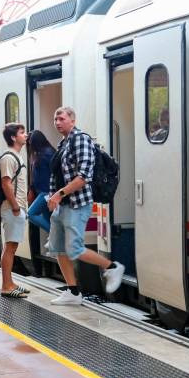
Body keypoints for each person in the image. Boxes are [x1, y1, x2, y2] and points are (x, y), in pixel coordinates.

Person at [47, 107, 125, 305]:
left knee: (74, 249)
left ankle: (113, 267)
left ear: (72, 120)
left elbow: (83, 177)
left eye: (61, 118)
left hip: (77, 204)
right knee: (58, 249)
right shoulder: (63, 142)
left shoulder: (81, 139)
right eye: (55, 119)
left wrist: (59, 194)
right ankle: (73, 293)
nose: (57, 122)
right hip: (61, 206)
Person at [0, 124, 30, 298]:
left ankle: (10, 282)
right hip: (12, 209)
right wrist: (16, 206)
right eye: (21, 133)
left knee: (12, 247)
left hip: (16, 209)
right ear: (13, 137)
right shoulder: (9, 158)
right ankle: (6, 286)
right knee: (10, 247)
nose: (25, 135)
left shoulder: (17, 156)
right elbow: (6, 183)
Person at [26, 130, 56, 233]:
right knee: (49, 220)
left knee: (31, 214)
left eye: (30, 141)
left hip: (46, 192)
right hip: (43, 192)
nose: (29, 144)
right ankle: (55, 242)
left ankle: (56, 234)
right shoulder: (42, 153)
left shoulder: (46, 154)